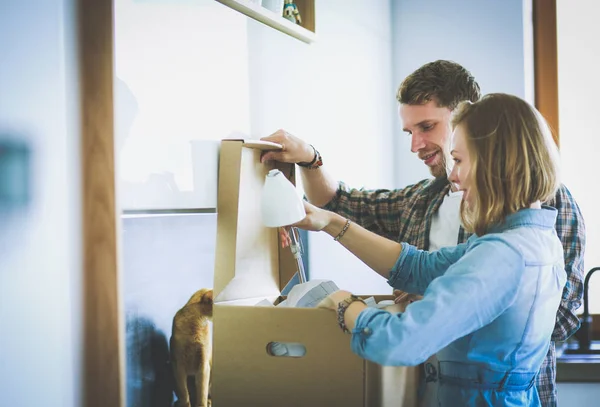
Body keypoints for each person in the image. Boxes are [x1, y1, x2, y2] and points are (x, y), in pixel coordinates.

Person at [260, 60, 585, 406]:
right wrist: (323, 203)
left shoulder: (509, 249)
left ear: (492, 159)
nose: (417, 146)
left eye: (428, 128)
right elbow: (416, 265)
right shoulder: (512, 231)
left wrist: (347, 303)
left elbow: (402, 338)